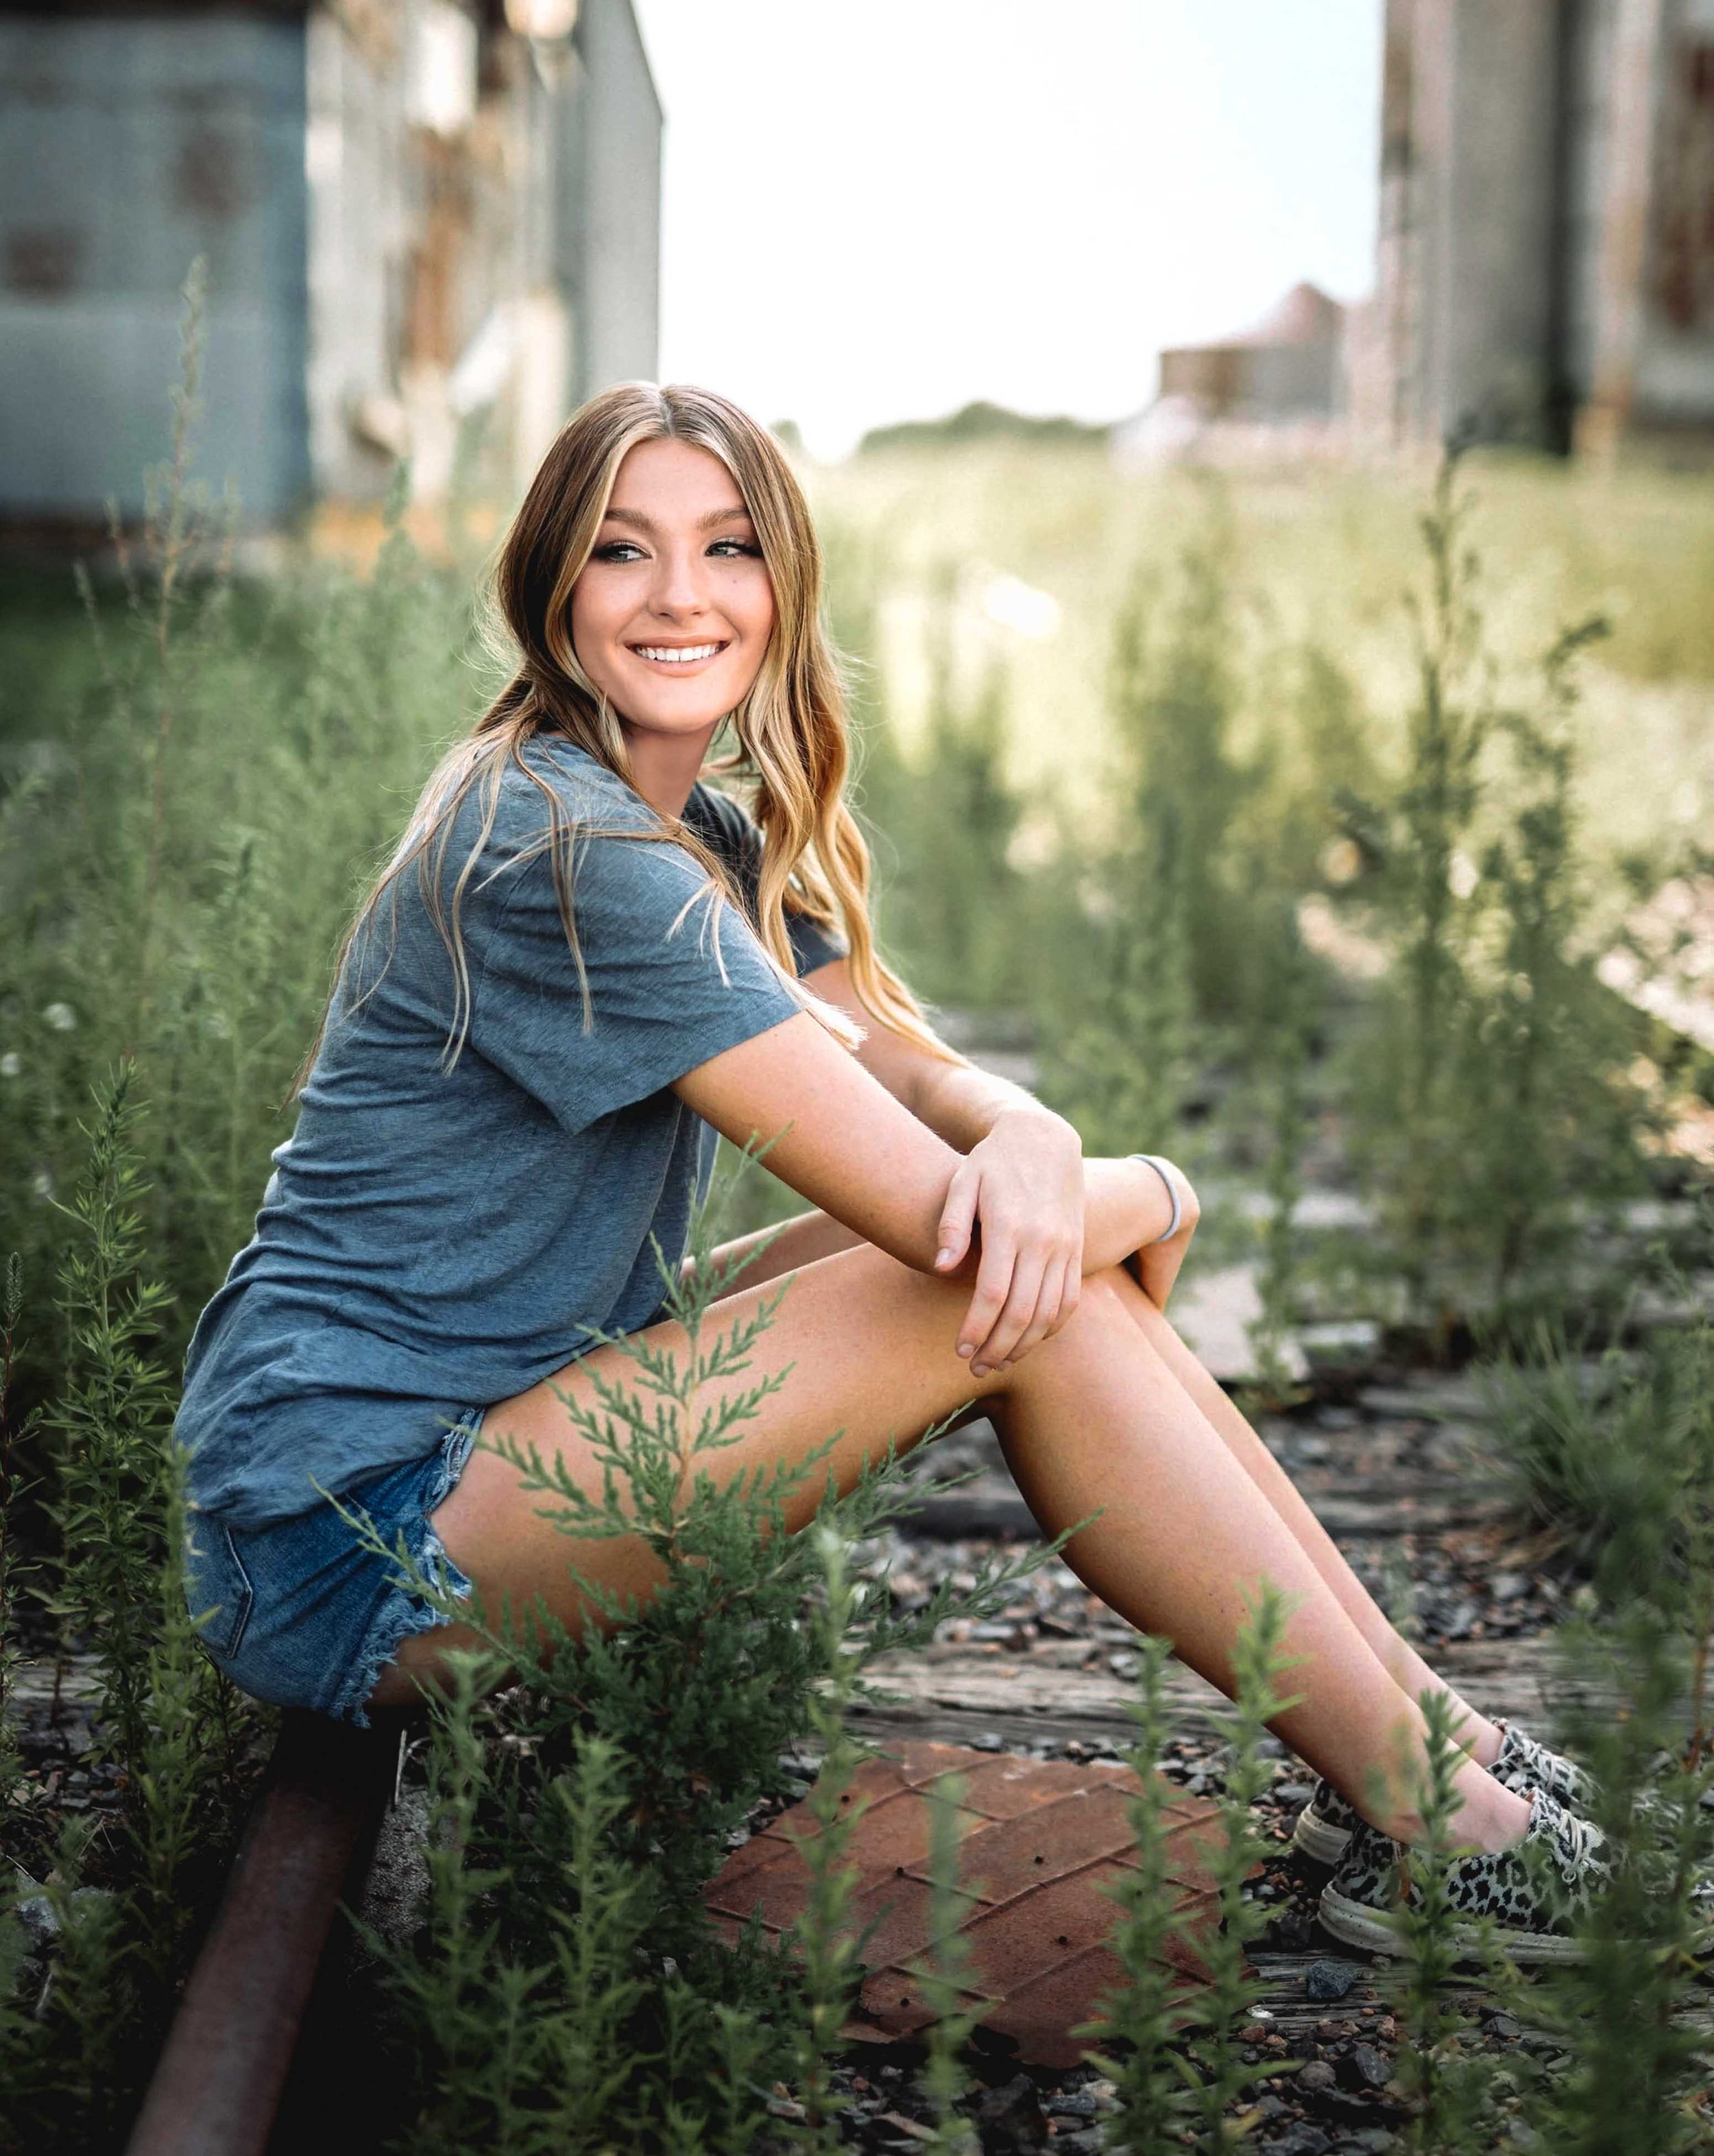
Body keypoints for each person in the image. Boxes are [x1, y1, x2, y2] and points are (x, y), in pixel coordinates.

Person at [178, 381, 1641, 1964]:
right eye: (620, 550)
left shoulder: (690, 835)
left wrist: (1038, 1137)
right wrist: (1151, 1189)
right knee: (1018, 1287)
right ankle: (1429, 1813)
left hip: (475, 1435)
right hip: (355, 1531)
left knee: (1034, 1253)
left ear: (781, 585)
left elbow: (910, 1070)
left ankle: (1433, 1748)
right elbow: (944, 1226)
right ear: (551, 589)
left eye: (727, 547)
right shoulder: (569, 854)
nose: (679, 594)